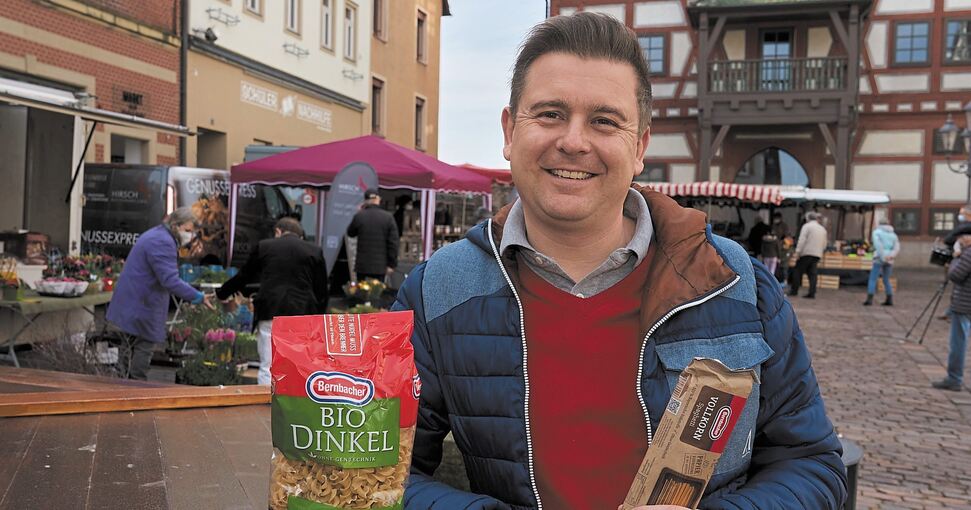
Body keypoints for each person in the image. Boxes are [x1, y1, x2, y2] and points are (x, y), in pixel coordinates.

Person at [393, 13, 845, 510]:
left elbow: (811, 463)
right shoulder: (438, 291)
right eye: (549, 114)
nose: (574, 141)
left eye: (604, 121)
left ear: (639, 146)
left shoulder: (734, 282)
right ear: (509, 130)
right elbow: (382, 474)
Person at [216, 217, 328, 385]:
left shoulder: (265, 247)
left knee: (268, 364)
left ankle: (266, 405)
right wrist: (318, 318)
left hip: (270, 310)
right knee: (298, 365)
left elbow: (244, 276)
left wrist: (222, 293)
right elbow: (322, 290)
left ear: (278, 231)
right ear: (301, 236)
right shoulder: (314, 251)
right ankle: (293, 404)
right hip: (303, 314)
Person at [107, 207, 212, 380]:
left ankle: (124, 393)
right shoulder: (163, 242)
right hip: (141, 307)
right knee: (140, 354)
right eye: (187, 230)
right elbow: (170, 280)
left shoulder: (157, 235)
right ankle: (135, 394)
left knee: (126, 354)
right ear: (175, 225)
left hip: (134, 305)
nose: (190, 235)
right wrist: (198, 297)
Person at [933, 234, 971, 392]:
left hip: (965, 303)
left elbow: (956, 275)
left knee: (958, 342)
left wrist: (955, 259)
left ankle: (954, 378)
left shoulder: (969, 253)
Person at [347, 189, 399, 282]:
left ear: (365, 201)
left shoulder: (359, 216)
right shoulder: (388, 217)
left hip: (362, 265)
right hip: (380, 266)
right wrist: (392, 264)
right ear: (378, 199)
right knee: (377, 292)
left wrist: (359, 212)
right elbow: (393, 243)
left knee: (361, 293)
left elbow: (350, 233)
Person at [788, 211, 828, 298]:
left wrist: (798, 252)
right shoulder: (822, 229)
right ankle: (812, 292)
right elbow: (825, 243)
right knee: (812, 273)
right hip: (817, 254)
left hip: (806, 253)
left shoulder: (806, 227)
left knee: (797, 271)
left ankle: (794, 290)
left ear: (807, 218)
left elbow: (802, 240)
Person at [864, 218, 900, 306]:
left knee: (873, 279)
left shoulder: (877, 233)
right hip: (890, 259)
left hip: (879, 258)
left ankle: (869, 299)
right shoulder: (893, 235)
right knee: (886, 279)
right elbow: (897, 247)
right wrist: (891, 256)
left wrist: (883, 256)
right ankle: (889, 298)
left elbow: (878, 245)